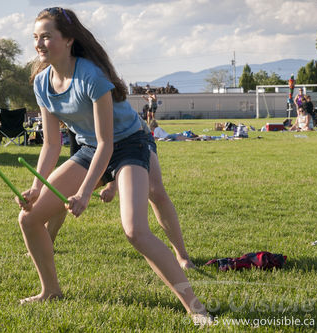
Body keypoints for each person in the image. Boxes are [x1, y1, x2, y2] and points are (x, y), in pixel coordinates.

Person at [17, 7, 211, 324]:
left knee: (135, 230)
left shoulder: (92, 76)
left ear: (68, 40)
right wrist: (37, 188)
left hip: (128, 145)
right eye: (36, 38)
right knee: (29, 217)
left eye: (47, 36)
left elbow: (108, 143)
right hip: (91, 148)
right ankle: (50, 290)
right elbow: (52, 143)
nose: (39, 44)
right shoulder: (42, 83)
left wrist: (83, 193)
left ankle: (195, 306)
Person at [46, 123, 195, 270]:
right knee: (65, 192)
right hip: (93, 146)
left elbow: (119, 140)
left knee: (155, 190)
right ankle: (46, 244)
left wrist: (112, 185)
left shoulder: (99, 102)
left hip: (133, 138)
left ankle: (182, 256)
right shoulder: (73, 120)